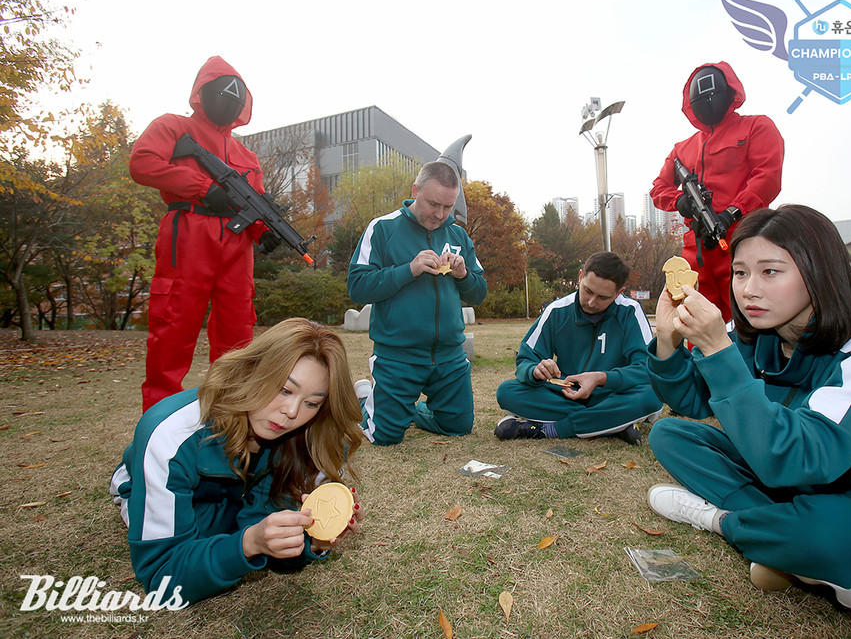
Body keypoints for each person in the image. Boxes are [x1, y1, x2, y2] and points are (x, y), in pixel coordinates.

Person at [644, 205, 851, 609]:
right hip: (801, 484)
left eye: (770, 272)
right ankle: (779, 530)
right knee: (672, 434)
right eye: (741, 272)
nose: (749, 289)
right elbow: (691, 399)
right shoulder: (756, 333)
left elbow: (794, 456)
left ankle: (721, 521)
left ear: (819, 272)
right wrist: (668, 340)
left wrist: (716, 350)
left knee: (820, 534)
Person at [109, 318, 365, 605]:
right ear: (251, 370)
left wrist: (310, 541)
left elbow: (269, 531)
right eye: (284, 389)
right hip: (167, 493)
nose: (292, 412)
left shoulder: (308, 436)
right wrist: (249, 543)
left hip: (234, 501)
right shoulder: (169, 436)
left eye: (311, 403)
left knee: (230, 528)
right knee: (212, 531)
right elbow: (163, 582)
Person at [130, 55, 280, 413]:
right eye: (221, 91)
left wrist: (264, 231)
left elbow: (252, 206)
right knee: (173, 324)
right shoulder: (172, 126)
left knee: (238, 329)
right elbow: (142, 162)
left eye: (237, 96)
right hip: (189, 232)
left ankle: (231, 415)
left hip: (236, 245)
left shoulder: (248, 155)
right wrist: (200, 186)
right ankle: (159, 418)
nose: (229, 100)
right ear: (201, 92)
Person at [347, 161, 487, 446]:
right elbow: (358, 288)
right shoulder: (383, 228)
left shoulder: (458, 235)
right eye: (433, 203)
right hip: (398, 357)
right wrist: (408, 269)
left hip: (449, 356)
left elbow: (479, 293)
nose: (439, 214)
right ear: (415, 190)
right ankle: (365, 399)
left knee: (458, 427)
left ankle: (404, 410)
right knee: (384, 438)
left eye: (448, 207)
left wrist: (463, 275)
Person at [650, 61, 784, 320]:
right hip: (696, 249)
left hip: (741, 239)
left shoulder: (757, 126)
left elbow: (767, 177)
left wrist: (732, 213)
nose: (708, 101)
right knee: (694, 321)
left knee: (750, 318)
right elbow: (658, 188)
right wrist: (681, 202)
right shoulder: (682, 148)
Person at [494, 251, 662, 445]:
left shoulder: (630, 312)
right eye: (588, 291)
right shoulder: (557, 311)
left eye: (603, 297)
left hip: (612, 394)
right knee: (507, 392)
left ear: (618, 293)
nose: (591, 302)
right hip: (567, 394)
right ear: (580, 277)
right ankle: (614, 424)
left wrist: (601, 378)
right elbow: (526, 360)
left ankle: (552, 429)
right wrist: (535, 370)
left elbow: (647, 369)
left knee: (652, 397)